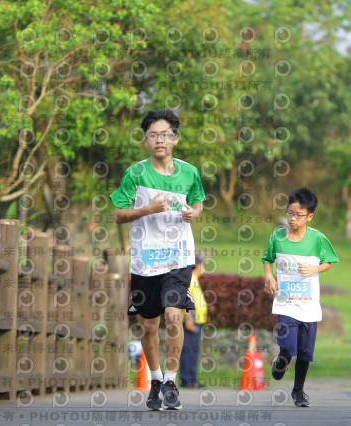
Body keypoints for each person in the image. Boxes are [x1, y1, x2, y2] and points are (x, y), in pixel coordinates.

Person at [110, 109, 205, 410]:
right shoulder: (134, 173)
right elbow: (118, 215)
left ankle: (172, 382)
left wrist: (195, 212)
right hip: (145, 260)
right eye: (152, 134)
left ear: (175, 138)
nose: (159, 140)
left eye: (165, 134)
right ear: (146, 140)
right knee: (149, 326)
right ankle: (155, 379)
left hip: (178, 257)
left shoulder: (189, 172)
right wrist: (146, 210)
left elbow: (199, 201)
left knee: (175, 316)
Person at [262, 187, 339, 407]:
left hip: (309, 305)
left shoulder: (318, 239)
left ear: (310, 216)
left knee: (305, 352)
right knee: (288, 346)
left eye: (299, 214)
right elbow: (267, 259)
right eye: (290, 213)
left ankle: (298, 391)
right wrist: (269, 276)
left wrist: (314, 269)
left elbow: (329, 262)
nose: (293, 218)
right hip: (286, 303)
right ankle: (282, 360)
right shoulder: (277, 236)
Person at [179, 256, 207, 388]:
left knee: (193, 350)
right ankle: (187, 379)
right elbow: (186, 300)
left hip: (197, 320)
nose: (203, 267)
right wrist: (188, 319)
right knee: (188, 350)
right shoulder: (189, 279)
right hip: (191, 320)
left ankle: (191, 378)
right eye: (201, 264)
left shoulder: (194, 279)